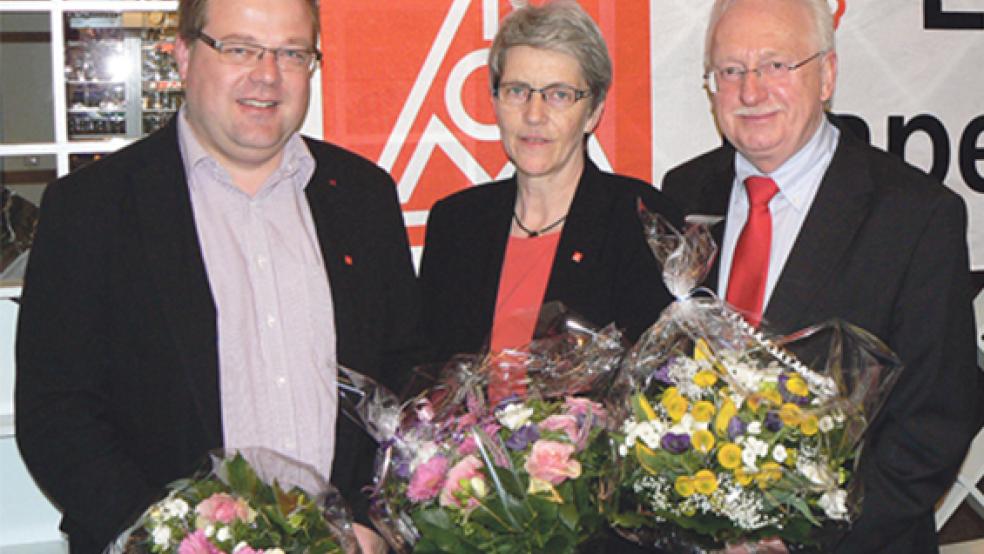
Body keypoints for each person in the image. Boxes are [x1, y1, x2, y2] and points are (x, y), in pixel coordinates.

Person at [14, 0, 417, 552]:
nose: (267, 75)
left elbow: (404, 378)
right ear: (183, 55)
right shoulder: (91, 209)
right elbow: (57, 416)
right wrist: (169, 540)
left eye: (291, 53)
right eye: (240, 49)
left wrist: (375, 521)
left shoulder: (365, 197)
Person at [662, 0, 981, 552]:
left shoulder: (916, 216)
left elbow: (935, 425)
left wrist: (798, 534)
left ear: (827, 75)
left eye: (776, 65)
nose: (751, 91)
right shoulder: (683, 193)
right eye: (731, 70)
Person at [418, 1, 680, 401]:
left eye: (559, 95)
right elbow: (429, 380)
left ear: (593, 112)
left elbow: (658, 388)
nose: (534, 114)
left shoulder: (641, 220)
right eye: (517, 91)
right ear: (495, 102)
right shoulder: (456, 224)